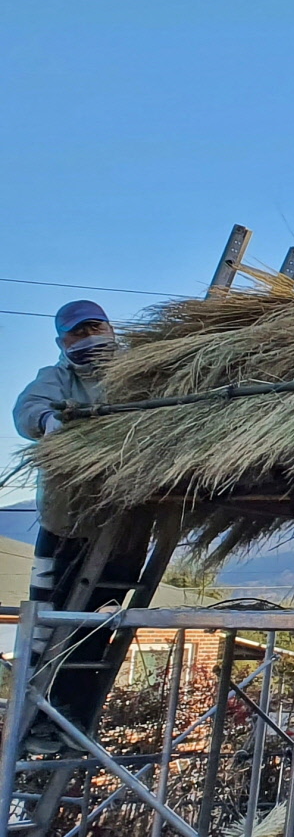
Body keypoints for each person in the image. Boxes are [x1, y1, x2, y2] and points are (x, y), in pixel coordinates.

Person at [12, 301, 116, 751]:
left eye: (94, 328)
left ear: (110, 328)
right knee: (50, 620)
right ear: (62, 343)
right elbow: (27, 410)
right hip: (68, 519)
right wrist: (49, 421)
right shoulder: (57, 378)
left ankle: (73, 712)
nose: (88, 339)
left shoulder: (138, 370)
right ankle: (36, 717)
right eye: (76, 334)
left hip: (123, 521)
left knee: (99, 619)